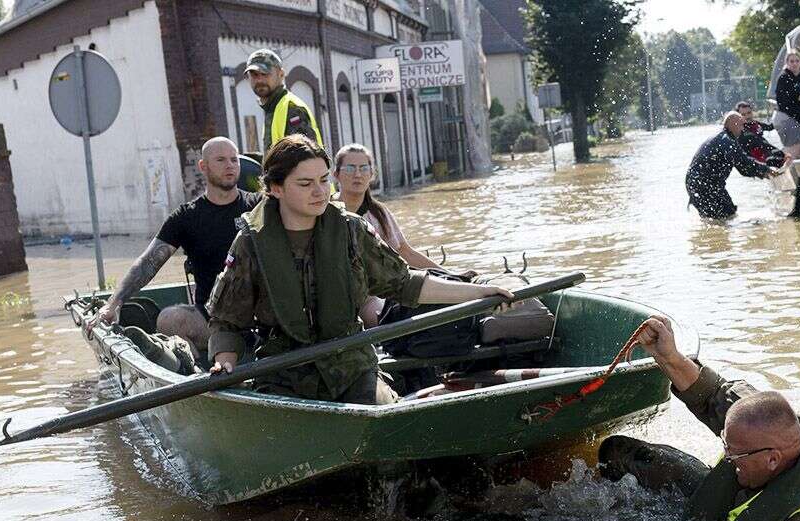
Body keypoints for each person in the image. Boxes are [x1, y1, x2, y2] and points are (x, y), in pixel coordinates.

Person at [206, 135, 513, 404]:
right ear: (276, 188)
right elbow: (227, 321)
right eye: (305, 183)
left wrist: (478, 291)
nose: (319, 192)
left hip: (351, 366)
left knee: (384, 415)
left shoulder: (351, 229)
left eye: (324, 180)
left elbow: (405, 283)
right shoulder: (251, 242)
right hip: (282, 372)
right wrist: (225, 362)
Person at [597, 316, 800, 521]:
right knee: (618, 452)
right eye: (726, 446)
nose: (728, 459)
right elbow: (712, 393)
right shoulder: (759, 421)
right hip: (725, 504)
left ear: (772, 459)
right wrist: (667, 355)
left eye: (735, 455)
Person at [98, 136, 260, 349]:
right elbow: (148, 262)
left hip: (260, 318)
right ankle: (197, 375)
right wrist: (114, 303)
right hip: (212, 320)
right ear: (203, 166)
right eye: (220, 160)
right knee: (169, 319)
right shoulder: (186, 217)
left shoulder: (258, 207)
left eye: (234, 160)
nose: (229, 165)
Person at [331, 143, 448, 327]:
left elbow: (405, 253)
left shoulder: (378, 213)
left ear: (372, 174)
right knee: (387, 317)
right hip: (353, 300)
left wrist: (448, 275)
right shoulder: (327, 213)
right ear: (336, 174)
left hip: (386, 290)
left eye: (364, 168)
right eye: (350, 168)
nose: (357, 174)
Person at [685, 111, 792, 221]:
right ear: (733, 123)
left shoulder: (723, 137)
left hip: (700, 184)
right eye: (741, 125)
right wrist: (766, 170)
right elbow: (743, 162)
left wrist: (764, 171)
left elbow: (743, 168)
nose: (742, 129)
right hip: (704, 185)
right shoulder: (726, 140)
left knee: (725, 214)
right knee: (724, 215)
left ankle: (714, 235)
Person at [245, 48, 324, 154]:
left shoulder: (292, 108)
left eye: (265, 74)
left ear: (281, 74)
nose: (259, 80)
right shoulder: (271, 108)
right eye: (254, 74)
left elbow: (305, 158)